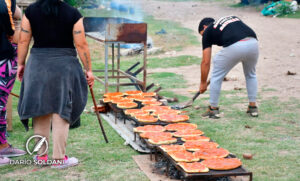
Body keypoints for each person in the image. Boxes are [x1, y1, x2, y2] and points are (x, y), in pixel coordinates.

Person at [17, 0, 94, 168]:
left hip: (38, 64)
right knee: (61, 109)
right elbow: (81, 44)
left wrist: (21, 64)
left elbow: (23, 41)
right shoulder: (73, 13)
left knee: (40, 108)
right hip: (64, 67)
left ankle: (42, 157)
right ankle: (58, 159)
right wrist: (89, 69)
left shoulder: (30, 11)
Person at [198, 16, 259, 119]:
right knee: (251, 75)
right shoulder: (229, 20)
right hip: (253, 42)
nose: (204, 38)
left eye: (202, 35)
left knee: (216, 76)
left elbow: (205, 62)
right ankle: (253, 107)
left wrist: (203, 83)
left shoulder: (208, 31)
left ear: (204, 27)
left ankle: (213, 109)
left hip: (235, 45)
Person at [0, 0, 26, 166]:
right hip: (2, 56)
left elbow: (16, 13)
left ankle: (2, 145)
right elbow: (7, 15)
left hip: (6, 56)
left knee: (1, 104)